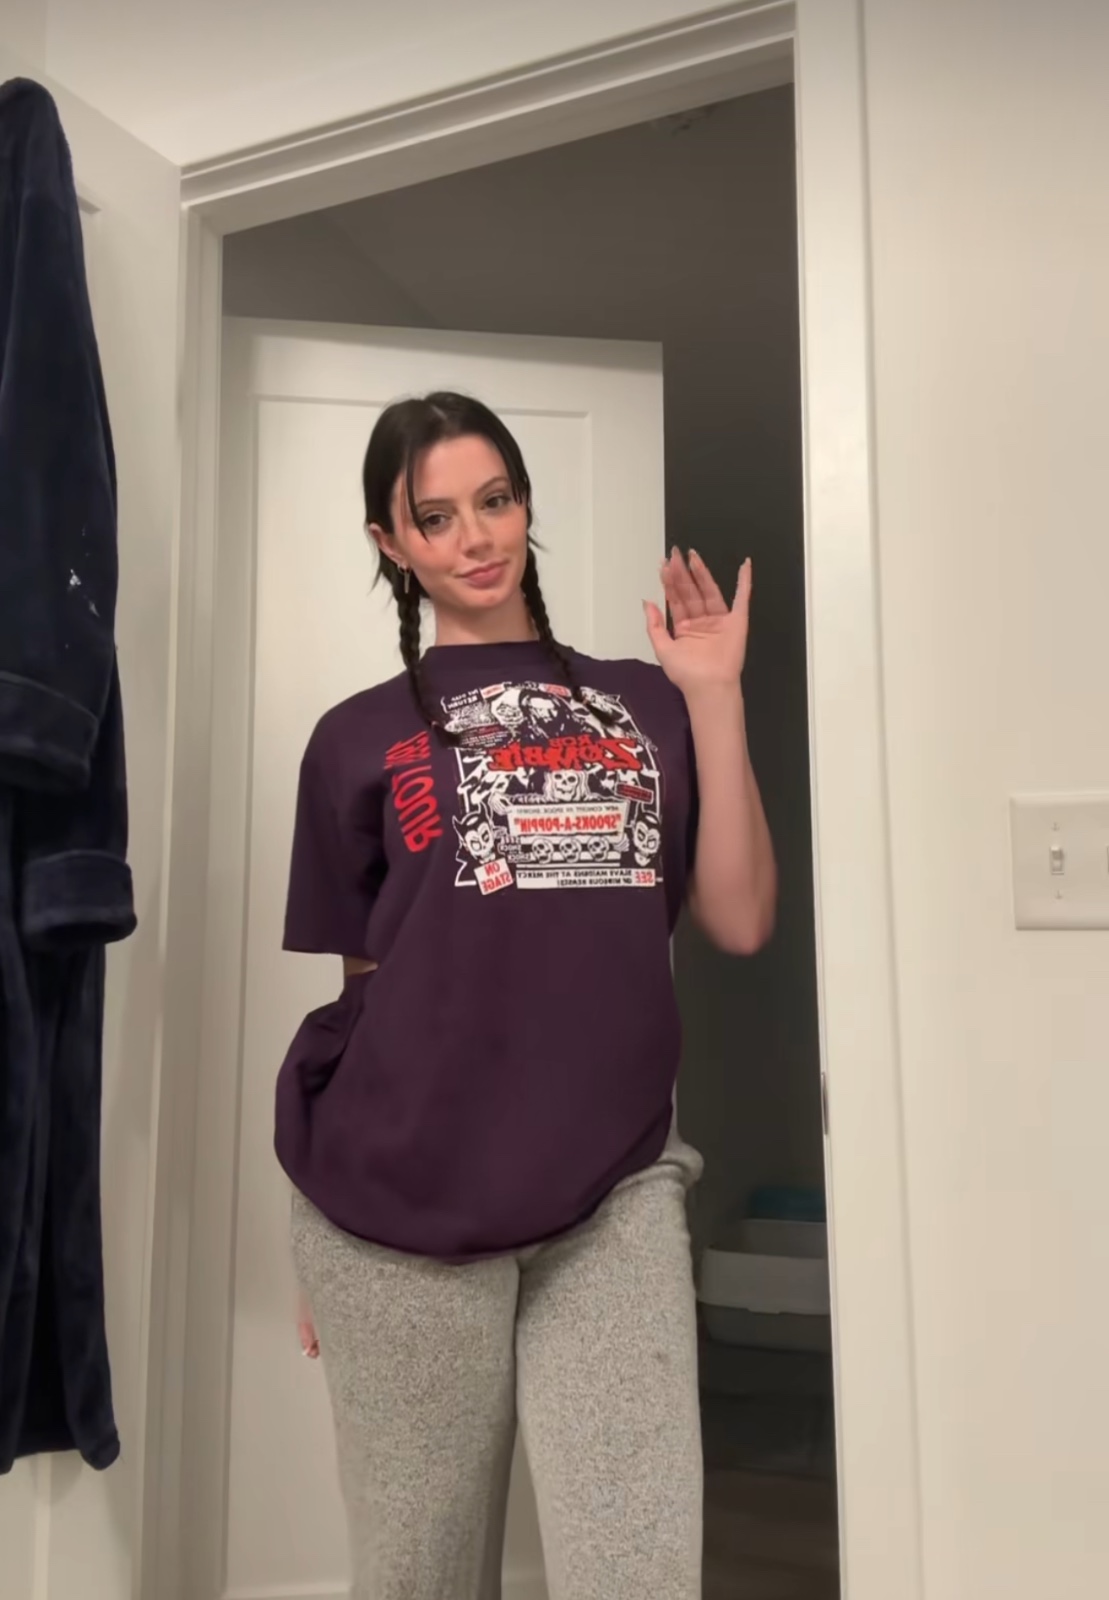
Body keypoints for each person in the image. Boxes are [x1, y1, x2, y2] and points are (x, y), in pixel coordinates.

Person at [277, 392, 776, 1600]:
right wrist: (326, 1233)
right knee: (420, 1576)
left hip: (611, 1190)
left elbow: (739, 917)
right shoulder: (351, 739)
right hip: (395, 1203)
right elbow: (370, 984)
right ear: (390, 542)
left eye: (493, 500)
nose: (475, 537)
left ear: (524, 503)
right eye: (435, 516)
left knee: (634, 1572)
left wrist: (714, 692)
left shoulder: (647, 700)